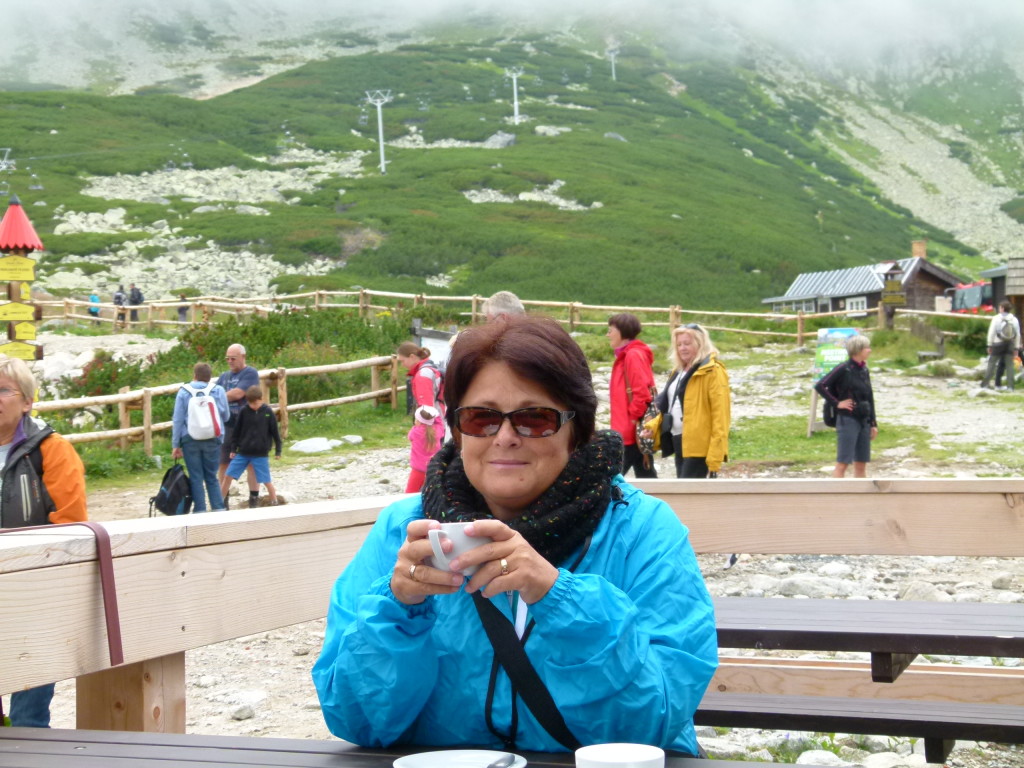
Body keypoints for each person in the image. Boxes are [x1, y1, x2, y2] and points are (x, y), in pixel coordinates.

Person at [313, 315, 717, 755]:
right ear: (456, 428)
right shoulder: (403, 531)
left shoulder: (640, 530)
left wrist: (558, 597)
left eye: (535, 419)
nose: (505, 437)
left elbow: (651, 723)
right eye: (481, 418)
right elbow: (356, 721)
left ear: (577, 429)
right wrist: (398, 608)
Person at [0, 355, 87, 727]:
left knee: (27, 719)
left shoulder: (52, 450)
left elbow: (70, 526)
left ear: (27, 401)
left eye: (3, 389)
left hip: (34, 595)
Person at [652, 323, 730, 479]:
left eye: (687, 343)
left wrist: (715, 456)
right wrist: (651, 427)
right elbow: (669, 405)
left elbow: (721, 416)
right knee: (684, 493)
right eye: (679, 344)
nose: (682, 348)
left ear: (700, 344)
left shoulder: (713, 371)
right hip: (678, 440)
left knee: (688, 496)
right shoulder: (678, 371)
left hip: (698, 446)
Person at [814, 334, 878, 478]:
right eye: (867, 347)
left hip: (864, 419)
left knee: (861, 463)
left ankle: (860, 498)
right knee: (843, 462)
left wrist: (873, 423)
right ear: (858, 350)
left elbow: (869, 396)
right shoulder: (843, 368)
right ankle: (835, 497)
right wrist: (837, 403)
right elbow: (820, 385)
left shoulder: (864, 370)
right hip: (847, 419)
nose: (870, 350)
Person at [171, 362, 229, 512]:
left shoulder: (184, 392)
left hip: (190, 439)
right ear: (210, 377)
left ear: (194, 375)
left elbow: (178, 420)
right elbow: (226, 416)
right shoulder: (218, 390)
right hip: (213, 438)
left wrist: (176, 444)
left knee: (196, 477)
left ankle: (200, 510)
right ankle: (218, 509)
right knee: (211, 476)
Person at [607, 313, 657, 478]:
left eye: (610, 330)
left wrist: (633, 418)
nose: (608, 335)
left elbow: (642, 393)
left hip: (630, 431)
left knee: (612, 480)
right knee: (647, 475)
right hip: (632, 430)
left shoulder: (632, 355)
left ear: (622, 331)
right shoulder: (626, 355)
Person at [219, 385, 282, 507]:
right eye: (251, 403)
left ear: (261, 399)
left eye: (256, 403)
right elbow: (237, 431)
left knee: (266, 480)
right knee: (228, 475)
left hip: (260, 454)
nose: (254, 406)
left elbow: (275, 433)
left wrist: (278, 451)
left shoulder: (268, 413)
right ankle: (220, 502)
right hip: (243, 452)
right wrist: (233, 448)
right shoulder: (244, 411)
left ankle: (274, 502)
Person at [396, 342, 446, 493]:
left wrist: (420, 427)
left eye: (402, 361)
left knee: (422, 467)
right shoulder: (430, 369)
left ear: (412, 357)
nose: (402, 365)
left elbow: (426, 407)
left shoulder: (422, 375)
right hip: (439, 421)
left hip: (430, 424)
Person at [216, 344, 261, 506]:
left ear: (243, 357)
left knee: (251, 463)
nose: (230, 361)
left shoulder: (250, 373)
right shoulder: (224, 376)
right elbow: (216, 393)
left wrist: (219, 397)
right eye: (227, 358)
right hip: (227, 425)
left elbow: (238, 393)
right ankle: (223, 501)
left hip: (246, 425)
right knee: (223, 462)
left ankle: (254, 499)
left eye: (233, 358)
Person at [981, 300, 1021, 391]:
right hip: (1010, 345)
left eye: (1000, 307)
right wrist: (1016, 347)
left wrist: (989, 345)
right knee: (1009, 366)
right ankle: (1011, 386)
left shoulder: (996, 318)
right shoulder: (1014, 319)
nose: (999, 309)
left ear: (1002, 308)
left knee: (991, 364)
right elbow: (1017, 335)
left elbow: (991, 332)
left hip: (997, 344)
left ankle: (985, 384)